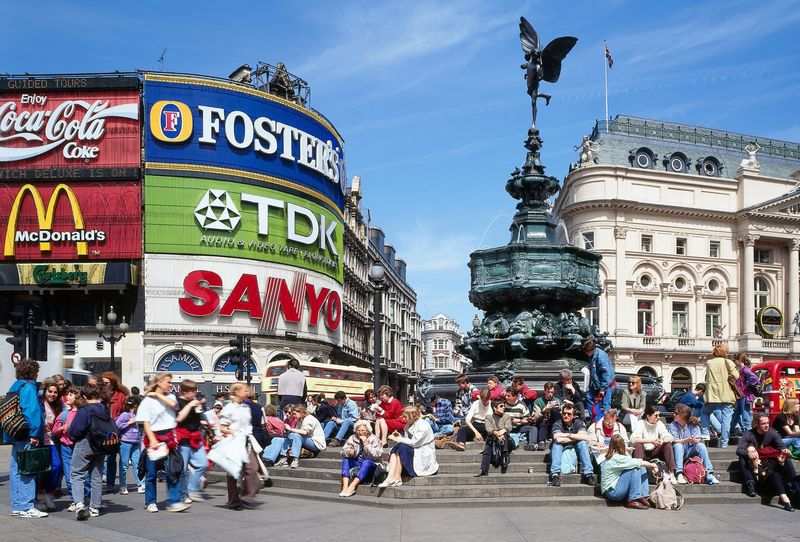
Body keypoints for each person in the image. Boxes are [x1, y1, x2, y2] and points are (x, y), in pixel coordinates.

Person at [136, 373, 189, 513]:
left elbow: (174, 405)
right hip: (154, 435)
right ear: (159, 382)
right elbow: (145, 421)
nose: (171, 384)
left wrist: (158, 395)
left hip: (169, 436)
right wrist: (152, 439)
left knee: (173, 470)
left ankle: (174, 501)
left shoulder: (170, 397)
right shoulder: (147, 401)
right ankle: (150, 501)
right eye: (168, 382)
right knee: (151, 472)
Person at [3, 359, 47, 519]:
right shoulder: (28, 387)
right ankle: (27, 505)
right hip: (27, 433)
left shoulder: (14, 387)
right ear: (33, 372)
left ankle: (17, 505)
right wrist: (35, 434)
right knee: (28, 469)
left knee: (16, 469)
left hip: (15, 432)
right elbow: (32, 412)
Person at [68, 383, 114, 520]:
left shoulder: (85, 410)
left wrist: (72, 436)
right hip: (100, 445)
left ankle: (80, 504)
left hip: (85, 443)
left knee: (77, 473)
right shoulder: (104, 409)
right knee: (97, 475)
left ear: (83, 396)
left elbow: (76, 430)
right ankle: (95, 507)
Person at [737, 414, 796, 510]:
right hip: (755, 463)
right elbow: (739, 450)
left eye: (768, 423)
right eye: (763, 423)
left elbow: (781, 447)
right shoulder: (749, 434)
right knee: (742, 458)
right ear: (757, 424)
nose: (766, 425)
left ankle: (793, 483)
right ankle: (750, 484)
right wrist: (748, 453)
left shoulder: (772, 433)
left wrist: (785, 452)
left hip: (768, 462)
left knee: (786, 459)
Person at [217, 383, 260, 510]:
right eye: (245, 390)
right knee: (233, 472)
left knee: (252, 468)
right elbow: (222, 427)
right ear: (236, 392)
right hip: (234, 441)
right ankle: (233, 500)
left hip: (247, 441)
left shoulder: (246, 407)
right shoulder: (228, 408)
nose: (247, 392)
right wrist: (232, 433)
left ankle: (247, 496)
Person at [378, 406, 439, 487]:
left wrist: (398, 439)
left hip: (422, 453)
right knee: (398, 448)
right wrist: (400, 437)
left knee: (401, 446)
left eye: (405, 416)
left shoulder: (423, 425)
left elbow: (415, 443)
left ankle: (393, 477)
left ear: (412, 416)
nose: (403, 418)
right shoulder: (408, 425)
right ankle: (393, 477)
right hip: (413, 451)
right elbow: (408, 441)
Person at [600, 434, 658, 509]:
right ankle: (633, 499)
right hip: (612, 493)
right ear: (623, 446)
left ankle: (644, 496)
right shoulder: (617, 458)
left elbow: (634, 462)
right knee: (636, 467)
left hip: (612, 489)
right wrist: (654, 465)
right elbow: (637, 462)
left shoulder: (611, 455)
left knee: (641, 467)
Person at [669, 403, 719, 485]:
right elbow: (673, 441)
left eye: (676, 413)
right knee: (678, 446)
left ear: (682, 415)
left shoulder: (693, 424)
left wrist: (696, 440)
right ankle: (679, 473)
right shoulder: (673, 425)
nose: (673, 414)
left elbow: (698, 438)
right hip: (679, 452)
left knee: (701, 446)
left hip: (691, 450)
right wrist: (686, 440)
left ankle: (709, 473)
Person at [175, 380, 208, 503]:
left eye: (195, 390)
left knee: (203, 463)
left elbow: (200, 418)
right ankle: (182, 493)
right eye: (192, 391)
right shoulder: (178, 402)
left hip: (196, 436)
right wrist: (189, 406)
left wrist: (201, 414)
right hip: (183, 437)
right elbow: (178, 418)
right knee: (182, 469)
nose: (194, 393)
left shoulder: (195, 402)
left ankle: (192, 489)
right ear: (184, 391)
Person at [548, 403, 594, 487]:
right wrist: (576, 436)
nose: (566, 416)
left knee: (582, 443)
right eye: (564, 413)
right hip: (561, 446)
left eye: (569, 414)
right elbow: (557, 438)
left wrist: (568, 435)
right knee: (557, 444)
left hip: (575, 445)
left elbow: (585, 437)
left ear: (573, 416)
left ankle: (589, 474)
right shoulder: (557, 423)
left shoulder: (578, 423)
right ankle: (555, 475)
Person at [701, 342, 738, 447]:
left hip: (712, 395)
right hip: (726, 395)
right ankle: (724, 443)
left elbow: (706, 378)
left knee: (704, 413)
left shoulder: (709, 363)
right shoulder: (728, 362)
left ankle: (705, 435)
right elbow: (737, 376)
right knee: (726, 419)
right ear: (726, 352)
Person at [100, 372, 128, 494]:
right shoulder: (100, 394)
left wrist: (118, 421)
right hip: (101, 429)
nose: (104, 385)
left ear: (112, 382)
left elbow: (125, 411)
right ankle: (100, 479)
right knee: (100, 457)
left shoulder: (121, 395)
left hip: (116, 429)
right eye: (102, 383)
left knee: (112, 457)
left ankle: (111, 483)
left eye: (106, 383)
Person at [631, 405, 676, 482]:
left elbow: (669, 437)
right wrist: (650, 440)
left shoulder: (659, 423)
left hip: (655, 451)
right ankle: (638, 472)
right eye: (656, 415)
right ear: (648, 416)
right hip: (643, 452)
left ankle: (671, 473)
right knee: (638, 445)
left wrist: (662, 440)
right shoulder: (641, 423)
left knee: (667, 444)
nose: (658, 417)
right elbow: (633, 439)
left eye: (659, 415)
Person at [339, 420, 383, 497]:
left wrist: (366, 443)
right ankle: (345, 487)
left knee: (366, 462)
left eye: (363, 430)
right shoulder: (352, 438)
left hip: (372, 463)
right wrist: (349, 452)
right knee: (346, 459)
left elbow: (377, 454)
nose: (360, 432)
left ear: (368, 430)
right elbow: (343, 451)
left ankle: (352, 486)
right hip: (358, 462)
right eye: (358, 430)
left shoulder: (374, 438)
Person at [39, 377, 63, 511]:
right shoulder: (39, 403)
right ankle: (40, 496)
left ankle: (49, 494)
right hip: (39, 440)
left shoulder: (58, 406)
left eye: (55, 392)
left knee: (57, 466)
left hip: (52, 441)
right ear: (45, 391)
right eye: (50, 391)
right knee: (40, 470)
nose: (52, 394)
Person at [52, 385, 79, 497]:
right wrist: (62, 428)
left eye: (71, 395)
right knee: (68, 473)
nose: (67, 397)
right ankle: (74, 498)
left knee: (79, 473)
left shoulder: (82, 412)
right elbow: (54, 431)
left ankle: (81, 498)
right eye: (67, 394)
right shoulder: (64, 414)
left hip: (78, 445)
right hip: (66, 446)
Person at [475, 400, 514, 476]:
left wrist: (502, 432)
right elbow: (488, 429)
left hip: (507, 441)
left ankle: (505, 456)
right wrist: (497, 434)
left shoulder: (507, 416)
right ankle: (484, 470)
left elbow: (509, 427)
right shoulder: (489, 417)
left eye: (503, 406)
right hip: (494, 439)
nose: (503, 408)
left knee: (505, 436)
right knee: (488, 447)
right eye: (501, 406)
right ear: (495, 408)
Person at [115, 397, 144, 495]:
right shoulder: (124, 414)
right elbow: (117, 425)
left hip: (136, 442)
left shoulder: (138, 414)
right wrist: (129, 422)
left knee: (137, 464)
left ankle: (140, 485)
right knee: (124, 465)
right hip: (125, 442)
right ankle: (123, 486)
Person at [583, 338, 615, 421]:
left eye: (587, 352)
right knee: (589, 398)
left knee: (605, 405)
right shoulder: (594, 355)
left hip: (606, 385)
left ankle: (607, 422)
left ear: (591, 350)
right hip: (597, 384)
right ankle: (596, 419)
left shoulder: (601, 357)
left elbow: (606, 373)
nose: (586, 354)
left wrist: (602, 389)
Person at [730, 353, 759, 436]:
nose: (734, 363)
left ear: (738, 361)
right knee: (736, 414)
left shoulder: (745, 370)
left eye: (735, 361)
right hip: (741, 395)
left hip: (745, 396)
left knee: (745, 414)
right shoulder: (742, 370)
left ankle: (749, 433)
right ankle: (731, 431)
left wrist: (745, 387)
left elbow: (755, 379)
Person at [530, 382, 560, 450]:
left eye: (552, 392)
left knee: (556, 414)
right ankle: (541, 442)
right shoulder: (538, 401)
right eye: (548, 392)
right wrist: (545, 410)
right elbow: (535, 417)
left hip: (553, 422)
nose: (550, 394)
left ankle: (556, 437)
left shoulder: (557, 400)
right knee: (543, 422)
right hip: (542, 423)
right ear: (545, 391)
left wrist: (559, 409)